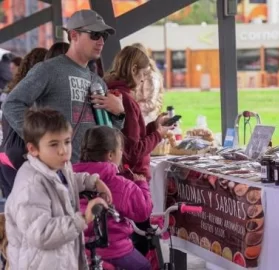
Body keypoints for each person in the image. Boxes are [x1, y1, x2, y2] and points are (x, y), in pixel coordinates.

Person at [2, 9, 125, 163]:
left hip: (92, 175)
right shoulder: (48, 69)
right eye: (94, 34)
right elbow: (12, 104)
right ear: (74, 35)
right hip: (59, 173)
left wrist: (119, 113)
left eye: (104, 35)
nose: (101, 41)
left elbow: (109, 135)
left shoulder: (98, 82)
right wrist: (40, 141)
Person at [5, 108, 112, 270]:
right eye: (54, 144)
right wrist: (82, 218)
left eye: (67, 142)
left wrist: (91, 181)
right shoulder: (30, 185)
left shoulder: (58, 166)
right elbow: (41, 234)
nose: (63, 150)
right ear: (33, 149)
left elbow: (64, 182)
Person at [104, 46, 173, 256]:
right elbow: (134, 150)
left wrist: (153, 127)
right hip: (133, 180)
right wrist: (158, 134)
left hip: (123, 177)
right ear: (133, 70)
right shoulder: (126, 100)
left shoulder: (113, 93)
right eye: (142, 75)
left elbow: (130, 137)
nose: (143, 81)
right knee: (140, 242)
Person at [73, 126, 152, 270]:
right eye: (120, 149)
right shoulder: (122, 185)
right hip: (115, 251)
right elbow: (143, 212)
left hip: (79, 251)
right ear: (110, 155)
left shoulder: (72, 178)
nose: (122, 153)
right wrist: (142, 185)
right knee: (145, 266)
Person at [0, 47, 48, 198]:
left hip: (5, 155)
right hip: (21, 158)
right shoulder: (37, 95)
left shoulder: (14, 91)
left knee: (12, 213)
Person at [132, 43, 164, 125]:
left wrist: (131, 106)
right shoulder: (137, 73)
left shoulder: (151, 76)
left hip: (148, 121)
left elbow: (151, 104)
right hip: (138, 118)